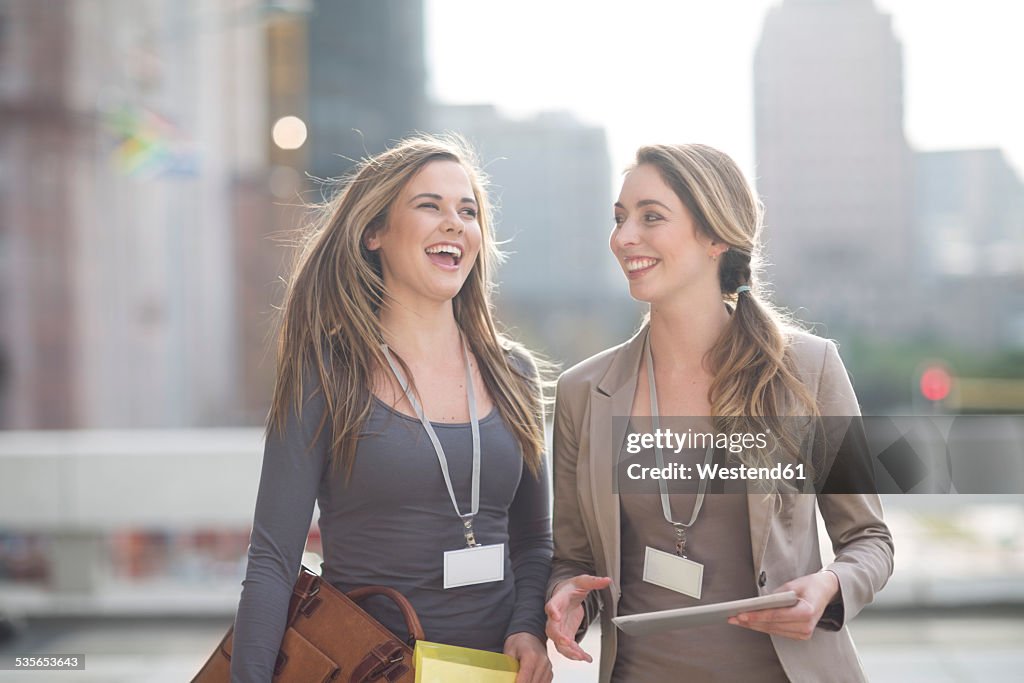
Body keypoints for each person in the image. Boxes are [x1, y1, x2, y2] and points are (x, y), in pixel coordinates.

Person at [544, 144, 894, 682]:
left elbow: (869, 541)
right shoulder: (582, 391)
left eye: (650, 217)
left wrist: (830, 586)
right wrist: (570, 600)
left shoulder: (809, 369)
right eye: (619, 219)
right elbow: (575, 560)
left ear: (716, 237)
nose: (623, 237)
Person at [230, 134, 553, 683]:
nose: (454, 222)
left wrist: (529, 628)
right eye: (430, 205)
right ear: (374, 232)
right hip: (373, 669)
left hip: (495, 674)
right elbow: (272, 562)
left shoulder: (514, 372)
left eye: (468, 211)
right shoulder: (326, 374)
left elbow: (534, 541)